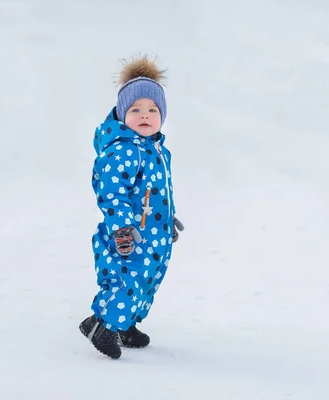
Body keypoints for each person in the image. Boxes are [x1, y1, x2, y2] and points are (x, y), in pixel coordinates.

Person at [79, 56, 184, 359]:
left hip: (153, 235)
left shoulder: (158, 151)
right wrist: (122, 227)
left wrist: (168, 221)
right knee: (127, 278)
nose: (145, 115)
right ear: (122, 114)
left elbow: (158, 193)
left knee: (147, 281)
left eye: (153, 110)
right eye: (135, 109)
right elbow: (110, 192)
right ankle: (103, 327)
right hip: (128, 235)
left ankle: (122, 324)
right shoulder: (123, 150)